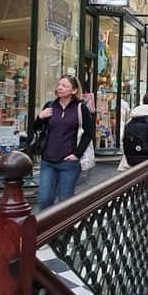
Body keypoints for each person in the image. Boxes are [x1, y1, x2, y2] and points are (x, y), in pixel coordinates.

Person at [34, 75, 95, 209]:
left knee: (64, 203)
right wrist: (39, 117)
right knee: (44, 200)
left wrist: (76, 154)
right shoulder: (50, 106)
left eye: (65, 85)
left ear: (74, 90)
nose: (60, 88)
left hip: (69, 163)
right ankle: (47, 230)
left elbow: (89, 133)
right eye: (59, 84)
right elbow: (36, 129)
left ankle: (63, 230)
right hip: (48, 161)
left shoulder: (80, 108)